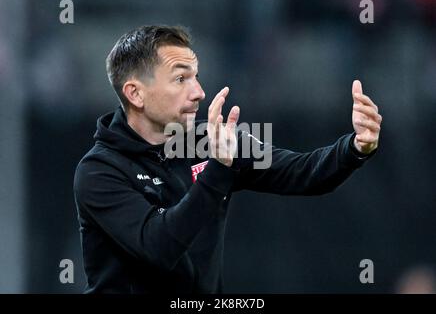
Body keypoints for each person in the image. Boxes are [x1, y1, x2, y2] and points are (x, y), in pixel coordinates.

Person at [73, 25, 382, 293]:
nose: (199, 92)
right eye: (181, 79)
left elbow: (304, 173)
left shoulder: (213, 141)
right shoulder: (99, 171)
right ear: (135, 94)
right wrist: (219, 169)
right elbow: (159, 247)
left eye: (196, 77)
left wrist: (354, 147)